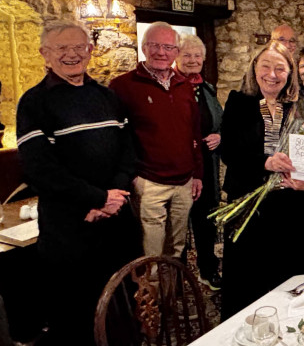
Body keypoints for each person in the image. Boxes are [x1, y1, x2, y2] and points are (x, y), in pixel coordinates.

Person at [16, 20, 139, 345]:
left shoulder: (107, 97)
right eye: (61, 48)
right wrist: (98, 198)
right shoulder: (34, 103)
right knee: (75, 321)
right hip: (70, 233)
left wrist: (113, 198)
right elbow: (40, 169)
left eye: (78, 47)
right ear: (45, 54)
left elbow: (129, 154)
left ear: (90, 50)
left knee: (123, 309)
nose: (71, 54)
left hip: (116, 227)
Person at [220, 40, 304, 320]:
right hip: (247, 204)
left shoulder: (299, 106)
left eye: (280, 68)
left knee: (282, 272)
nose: (272, 74)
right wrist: (266, 162)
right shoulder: (239, 101)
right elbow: (229, 152)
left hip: (286, 205)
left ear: (290, 73)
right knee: (246, 275)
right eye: (266, 66)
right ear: (254, 68)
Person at [110, 22, 203, 260]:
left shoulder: (184, 85)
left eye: (168, 47)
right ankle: (151, 294)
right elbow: (116, 138)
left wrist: (198, 174)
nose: (161, 52)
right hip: (149, 182)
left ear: (176, 52)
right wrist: (132, 177)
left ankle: (172, 293)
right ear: (143, 47)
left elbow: (194, 132)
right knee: (150, 251)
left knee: (177, 247)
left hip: (184, 182)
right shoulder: (123, 86)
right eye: (155, 45)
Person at [174, 34, 223, 291]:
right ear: (177, 57)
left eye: (197, 56)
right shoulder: (170, 88)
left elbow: (221, 121)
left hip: (207, 167)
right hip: (181, 169)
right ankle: (178, 279)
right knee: (178, 225)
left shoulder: (208, 89)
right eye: (187, 55)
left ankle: (208, 270)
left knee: (206, 221)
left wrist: (220, 136)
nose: (192, 60)